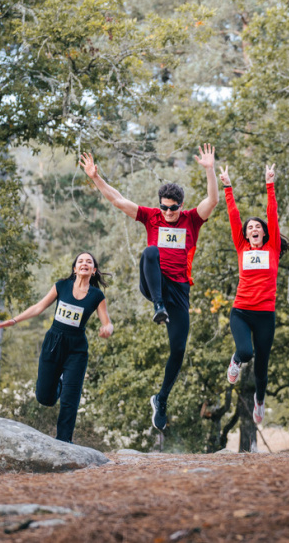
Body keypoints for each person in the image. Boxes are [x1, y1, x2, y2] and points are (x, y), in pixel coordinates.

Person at [79, 146, 219, 431]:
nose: (168, 212)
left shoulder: (192, 219)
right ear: (160, 205)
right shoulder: (150, 216)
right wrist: (95, 178)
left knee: (178, 349)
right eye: (164, 207)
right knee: (150, 252)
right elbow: (117, 200)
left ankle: (161, 398)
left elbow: (213, 200)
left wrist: (209, 170)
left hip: (179, 291)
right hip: (154, 284)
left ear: (180, 206)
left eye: (173, 208)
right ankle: (158, 307)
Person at [0, 252, 113, 443]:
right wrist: (15, 320)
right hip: (53, 343)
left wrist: (107, 329)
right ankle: (58, 382)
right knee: (45, 398)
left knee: (70, 398)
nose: (84, 263)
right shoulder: (61, 286)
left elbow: (107, 322)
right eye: (80, 261)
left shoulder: (97, 295)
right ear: (74, 269)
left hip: (77, 349)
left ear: (94, 271)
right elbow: (38, 307)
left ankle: (64, 441)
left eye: (89, 262)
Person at [220, 163, 289, 425]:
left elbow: (273, 214)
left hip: (265, 314)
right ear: (245, 234)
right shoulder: (241, 247)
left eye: (257, 227)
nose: (253, 229)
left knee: (261, 368)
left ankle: (260, 401)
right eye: (249, 228)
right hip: (241, 311)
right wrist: (228, 186)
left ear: (264, 232)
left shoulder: (273, 247)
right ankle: (235, 361)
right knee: (246, 353)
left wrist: (269, 183)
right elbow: (233, 215)